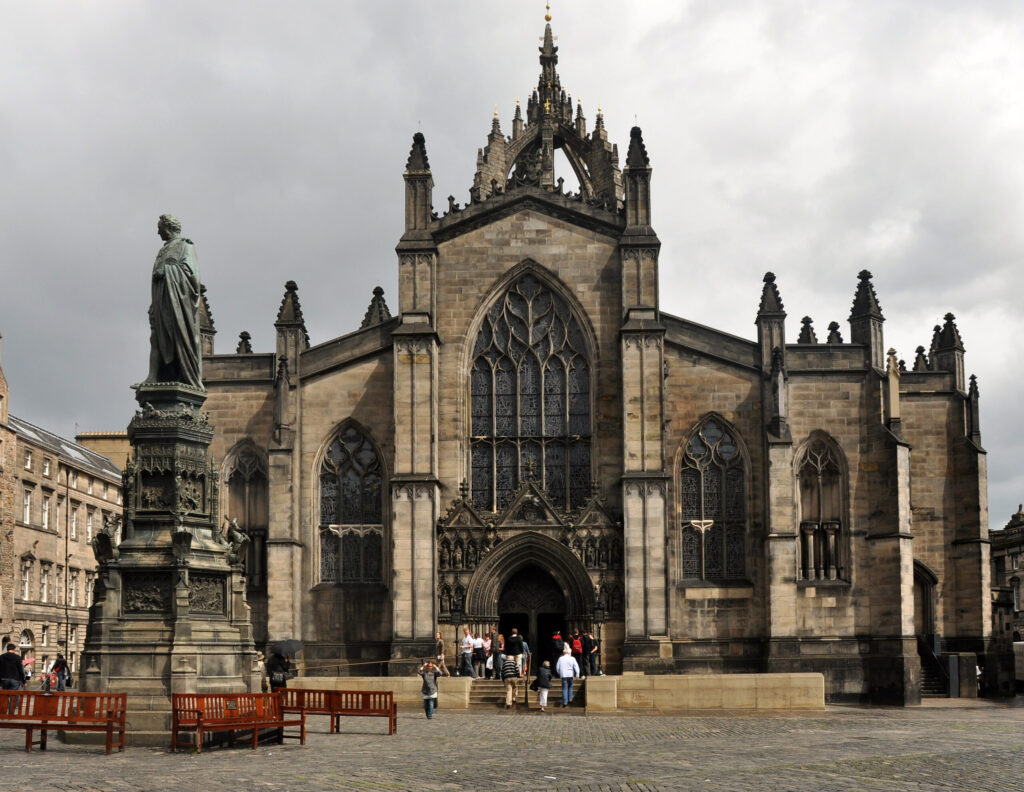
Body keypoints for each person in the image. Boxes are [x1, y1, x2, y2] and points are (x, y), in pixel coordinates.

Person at [145, 213, 203, 389]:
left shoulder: (185, 246)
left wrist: (167, 271)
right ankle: (152, 376)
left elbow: (192, 275)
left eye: (159, 228)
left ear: (168, 228)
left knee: (178, 338)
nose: (157, 232)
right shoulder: (163, 249)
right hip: (161, 301)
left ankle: (183, 375)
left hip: (178, 305)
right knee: (155, 338)